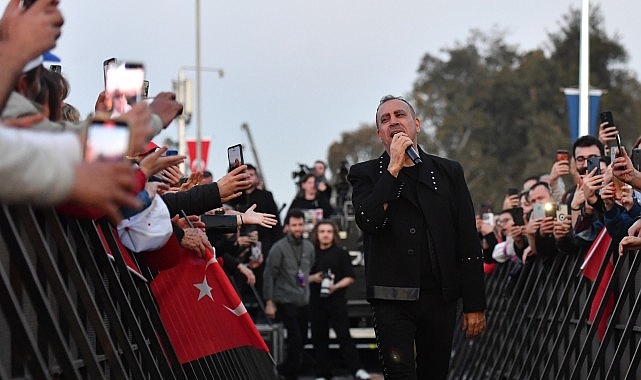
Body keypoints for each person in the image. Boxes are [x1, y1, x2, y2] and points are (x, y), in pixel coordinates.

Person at [347, 95, 486, 379]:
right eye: (385, 120)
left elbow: (467, 240)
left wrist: (474, 304)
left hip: (439, 297)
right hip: (391, 297)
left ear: (417, 124)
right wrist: (393, 168)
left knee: (434, 373)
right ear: (379, 135)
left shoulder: (448, 172)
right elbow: (368, 220)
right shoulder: (365, 174)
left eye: (400, 115)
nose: (393, 122)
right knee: (399, 373)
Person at [308, 220, 370, 380]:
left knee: (344, 337)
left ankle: (357, 370)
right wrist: (313, 278)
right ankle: (323, 373)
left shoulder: (341, 253)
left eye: (329, 231)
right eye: (322, 231)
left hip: (337, 302)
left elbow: (350, 277)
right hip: (316, 304)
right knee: (319, 339)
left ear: (334, 234)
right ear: (316, 234)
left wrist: (334, 286)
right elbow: (300, 278)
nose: (325, 234)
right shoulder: (310, 253)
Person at [263, 209, 315, 380]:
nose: (297, 228)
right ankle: (290, 373)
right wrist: (269, 302)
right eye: (294, 225)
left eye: (300, 225)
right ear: (287, 227)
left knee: (302, 340)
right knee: (295, 339)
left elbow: (309, 269)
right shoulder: (278, 248)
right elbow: (269, 274)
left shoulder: (309, 246)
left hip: (304, 299)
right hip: (285, 299)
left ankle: (285, 369)